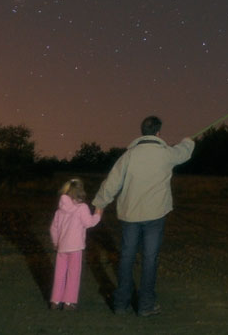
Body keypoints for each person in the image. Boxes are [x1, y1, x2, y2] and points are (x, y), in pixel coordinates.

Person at [92, 115, 194, 317]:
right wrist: (188, 141)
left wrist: (99, 204)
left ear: (143, 132)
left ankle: (121, 304)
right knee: (150, 259)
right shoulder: (166, 154)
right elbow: (183, 153)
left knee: (127, 258)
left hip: (130, 216)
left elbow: (112, 181)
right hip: (155, 216)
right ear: (158, 132)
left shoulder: (129, 155)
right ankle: (146, 305)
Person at [49, 178, 103, 310]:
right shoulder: (82, 208)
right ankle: (69, 302)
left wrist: (56, 243)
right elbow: (89, 223)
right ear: (81, 193)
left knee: (59, 273)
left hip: (62, 248)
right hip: (75, 248)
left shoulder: (59, 211)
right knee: (73, 273)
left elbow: (53, 229)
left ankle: (55, 300)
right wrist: (98, 214)